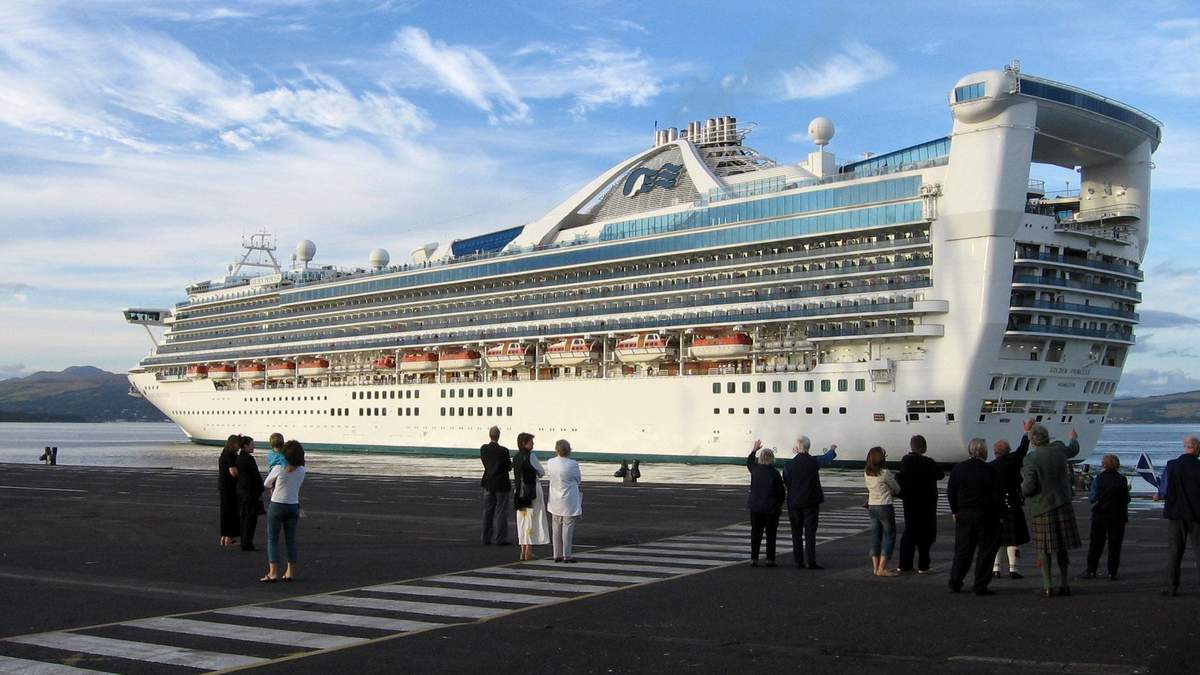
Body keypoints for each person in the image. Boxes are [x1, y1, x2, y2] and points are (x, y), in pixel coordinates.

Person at [1021, 425, 1081, 597]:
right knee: (1063, 547)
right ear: (1048, 436)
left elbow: (1029, 486)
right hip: (1063, 503)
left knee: (1044, 548)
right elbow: (1074, 450)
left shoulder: (1031, 459)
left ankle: (1047, 586)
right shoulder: (1059, 448)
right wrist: (1073, 437)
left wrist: (1022, 491)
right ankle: (1064, 584)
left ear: (1033, 441)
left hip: (1043, 506)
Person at [947, 438, 1003, 596]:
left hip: (964, 514)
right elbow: (996, 496)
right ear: (984, 452)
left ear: (970, 451)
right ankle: (980, 585)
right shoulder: (990, 470)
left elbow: (951, 491)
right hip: (986, 515)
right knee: (986, 551)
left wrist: (955, 510)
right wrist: (1000, 515)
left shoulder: (958, 468)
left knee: (963, 550)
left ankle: (955, 581)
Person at [1154, 435, 1200, 597]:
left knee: (1175, 551)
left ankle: (1172, 586)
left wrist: (1159, 495)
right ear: (1196, 448)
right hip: (1196, 514)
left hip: (1176, 513)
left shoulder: (1172, 465)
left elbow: (1165, 488)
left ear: (1186, 447)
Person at [782, 436, 837, 569]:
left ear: (796, 448)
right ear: (808, 447)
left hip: (794, 502)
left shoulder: (789, 464)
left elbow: (786, 481)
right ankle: (810, 561)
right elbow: (826, 458)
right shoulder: (813, 461)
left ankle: (798, 560)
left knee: (796, 532)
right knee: (810, 533)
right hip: (811, 501)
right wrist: (832, 450)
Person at [896, 435, 944, 574]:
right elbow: (940, 474)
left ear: (911, 446)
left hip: (910, 502)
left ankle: (905, 564)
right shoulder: (928, 462)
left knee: (909, 532)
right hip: (927, 503)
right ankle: (923, 565)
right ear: (924, 447)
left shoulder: (905, 461)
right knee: (926, 535)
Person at [991, 420, 1033, 579]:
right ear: (1008, 451)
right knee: (1013, 539)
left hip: (996, 506)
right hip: (1013, 504)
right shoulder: (1014, 460)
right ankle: (1013, 569)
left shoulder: (990, 466)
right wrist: (1026, 431)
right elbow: (1023, 448)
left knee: (997, 538)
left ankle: (995, 569)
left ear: (995, 452)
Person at [261, 440, 306, 582]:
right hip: (293, 505)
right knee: (290, 539)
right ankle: (290, 571)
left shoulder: (279, 468)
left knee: (273, 539)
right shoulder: (302, 470)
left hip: (277, 504)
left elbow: (266, 483)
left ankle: (273, 572)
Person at [1084, 453, 1130, 581]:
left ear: (1104, 465)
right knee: (1115, 545)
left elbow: (1092, 498)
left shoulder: (1099, 479)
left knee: (1096, 544)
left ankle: (1091, 570)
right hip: (1118, 515)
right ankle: (1112, 572)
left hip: (1100, 514)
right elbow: (1126, 499)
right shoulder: (1122, 479)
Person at [746, 440, 785, 567]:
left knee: (756, 533)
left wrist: (754, 450)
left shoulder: (755, 469)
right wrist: (780, 503)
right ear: (772, 459)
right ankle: (770, 559)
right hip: (771, 508)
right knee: (771, 534)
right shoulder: (775, 473)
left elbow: (749, 462)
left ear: (761, 458)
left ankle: (754, 558)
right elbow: (780, 492)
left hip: (755, 507)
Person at [864, 446, 900, 577]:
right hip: (885, 506)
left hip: (872, 506)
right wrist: (891, 491)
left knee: (875, 536)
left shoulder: (866, 473)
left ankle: (875, 567)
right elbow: (897, 488)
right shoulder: (885, 473)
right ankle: (882, 568)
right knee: (889, 535)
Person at [512, 432, 549, 561]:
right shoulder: (531, 456)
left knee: (522, 520)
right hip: (531, 490)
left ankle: (522, 550)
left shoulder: (516, 457)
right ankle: (529, 550)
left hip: (519, 492)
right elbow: (541, 472)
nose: (533, 444)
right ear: (524, 443)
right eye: (531, 442)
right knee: (531, 520)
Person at [545, 439, 582, 563]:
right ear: (569, 450)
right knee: (568, 528)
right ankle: (567, 554)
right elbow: (578, 479)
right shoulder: (573, 464)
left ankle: (557, 554)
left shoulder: (550, 462)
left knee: (556, 527)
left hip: (555, 499)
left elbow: (550, 476)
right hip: (569, 500)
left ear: (557, 450)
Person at [480, 426, 513, 546]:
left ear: (490, 435)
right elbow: (508, 467)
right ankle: (500, 538)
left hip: (488, 482)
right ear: (499, 436)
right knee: (501, 511)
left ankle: (485, 537)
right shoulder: (503, 450)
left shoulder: (484, 448)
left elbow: (485, 462)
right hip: (501, 483)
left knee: (488, 511)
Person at [235, 435, 265, 552]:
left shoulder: (239, 458)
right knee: (250, 518)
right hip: (250, 492)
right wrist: (261, 488)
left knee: (244, 516)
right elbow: (255, 475)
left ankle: (244, 541)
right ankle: (247, 543)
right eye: (252, 444)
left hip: (241, 489)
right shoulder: (248, 459)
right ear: (246, 446)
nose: (254, 446)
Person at [217, 434, 241, 547]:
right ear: (233, 443)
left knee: (225, 511)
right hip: (230, 486)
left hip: (223, 485)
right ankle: (229, 538)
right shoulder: (231, 454)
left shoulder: (224, 453)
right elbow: (233, 472)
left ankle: (224, 536)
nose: (239, 446)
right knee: (232, 511)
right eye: (238, 443)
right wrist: (243, 475)